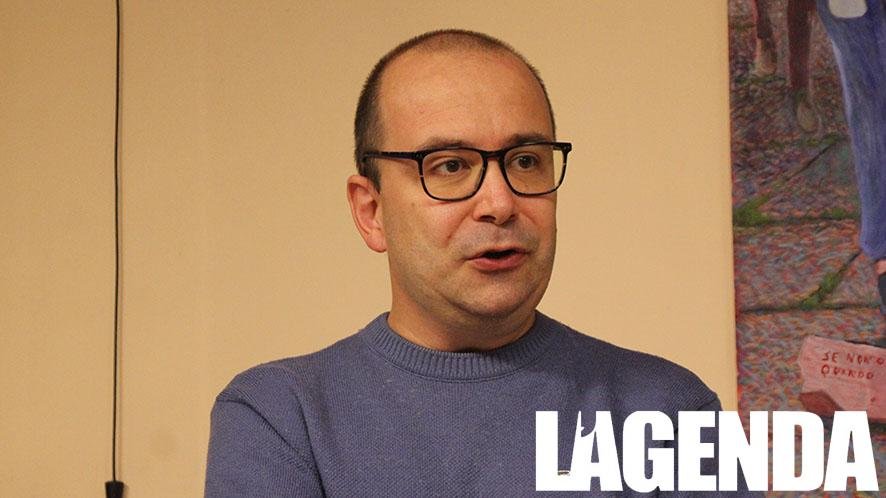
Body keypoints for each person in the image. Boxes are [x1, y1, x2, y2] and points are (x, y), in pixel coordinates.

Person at [205, 29, 755, 496]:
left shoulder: (670, 411)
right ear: (371, 212)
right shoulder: (280, 417)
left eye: (526, 161)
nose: (499, 202)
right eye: (449, 166)